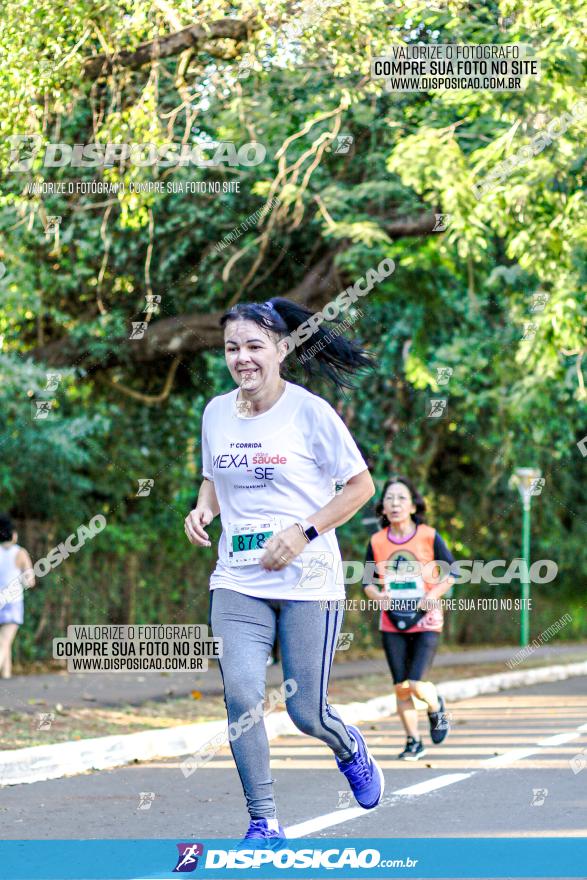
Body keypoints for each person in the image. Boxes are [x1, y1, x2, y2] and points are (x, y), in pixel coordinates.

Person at [184, 297, 384, 843]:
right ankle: (263, 820)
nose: (242, 358)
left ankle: (349, 747)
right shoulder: (216, 413)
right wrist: (204, 508)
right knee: (242, 695)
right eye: (232, 348)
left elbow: (361, 487)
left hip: (308, 580)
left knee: (305, 712)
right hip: (237, 578)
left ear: (282, 347)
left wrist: (304, 533)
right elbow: (216, 479)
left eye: (254, 346)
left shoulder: (310, 412)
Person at [363, 477, 457, 760]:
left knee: (416, 683)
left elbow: (452, 573)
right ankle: (413, 741)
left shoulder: (429, 536)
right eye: (389, 499)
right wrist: (378, 597)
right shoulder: (377, 541)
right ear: (383, 508)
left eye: (401, 498)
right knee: (401, 686)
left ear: (413, 505)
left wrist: (434, 594)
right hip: (392, 620)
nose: (395, 504)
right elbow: (367, 582)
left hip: (426, 619)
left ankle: (435, 706)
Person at [0, 514, 35, 679]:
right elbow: (30, 580)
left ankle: (6, 675)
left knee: (4, 641)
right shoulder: (20, 553)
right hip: (12, 603)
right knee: (4, 641)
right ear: (13, 534)